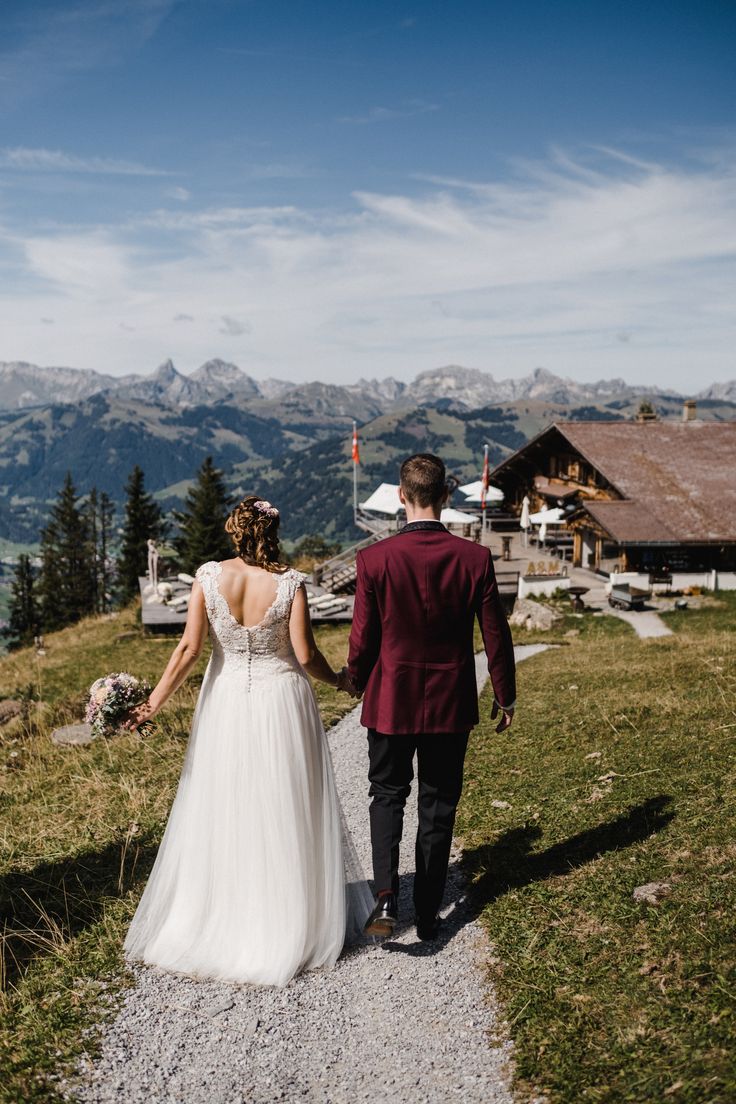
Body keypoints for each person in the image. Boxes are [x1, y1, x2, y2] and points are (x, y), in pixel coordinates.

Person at [123, 496, 370, 987]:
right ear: (273, 532)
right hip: (282, 701)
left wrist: (152, 702)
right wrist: (341, 681)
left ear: (235, 531)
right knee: (284, 803)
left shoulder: (208, 577)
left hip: (227, 700)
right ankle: (286, 920)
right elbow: (304, 653)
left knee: (224, 803)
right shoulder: (291, 583)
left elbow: (189, 648)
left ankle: (220, 916)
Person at [346, 453, 516, 941]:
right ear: (446, 495)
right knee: (438, 803)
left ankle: (384, 897)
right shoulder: (475, 558)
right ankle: (426, 912)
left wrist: (355, 680)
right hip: (450, 702)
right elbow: (495, 636)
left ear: (402, 496)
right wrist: (504, 695)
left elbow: (363, 639)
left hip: (389, 700)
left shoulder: (374, 559)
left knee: (387, 795)